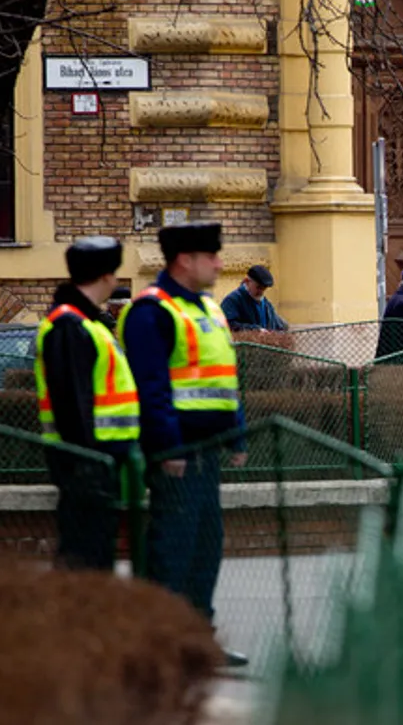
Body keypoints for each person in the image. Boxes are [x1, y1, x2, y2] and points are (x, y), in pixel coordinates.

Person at [118, 222, 248, 668]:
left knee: (206, 544)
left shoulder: (209, 309)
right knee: (173, 547)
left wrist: (236, 433)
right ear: (184, 261)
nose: (219, 264)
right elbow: (152, 388)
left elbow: (226, 376)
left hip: (208, 451)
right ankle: (163, 643)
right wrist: (170, 447)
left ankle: (197, 639)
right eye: (211, 256)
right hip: (179, 455)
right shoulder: (151, 311)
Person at [34, 237, 138, 571]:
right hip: (87, 462)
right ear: (106, 276)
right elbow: (71, 405)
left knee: (91, 553)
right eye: (115, 274)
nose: (116, 281)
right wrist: (88, 461)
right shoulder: (70, 326)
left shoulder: (84, 323)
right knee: (85, 557)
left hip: (93, 461)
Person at [220, 265, 287, 332]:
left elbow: (280, 326)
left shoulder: (266, 304)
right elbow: (228, 325)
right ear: (247, 281)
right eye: (258, 287)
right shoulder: (232, 301)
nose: (261, 292)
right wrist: (256, 330)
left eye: (264, 289)